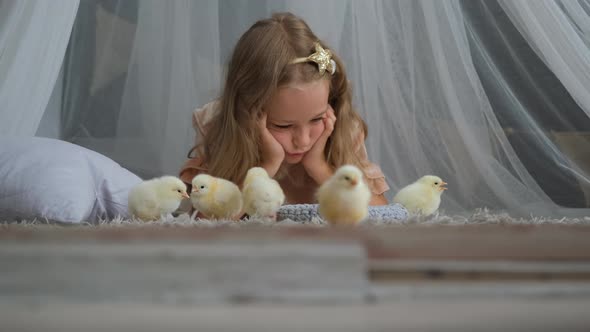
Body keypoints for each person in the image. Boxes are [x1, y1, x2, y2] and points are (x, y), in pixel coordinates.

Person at [179, 12, 389, 206]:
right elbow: (206, 222)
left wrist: (320, 168)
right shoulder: (217, 125)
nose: (303, 141)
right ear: (248, 111)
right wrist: (268, 165)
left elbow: (382, 217)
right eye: (284, 125)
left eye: (316, 119)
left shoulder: (343, 128)